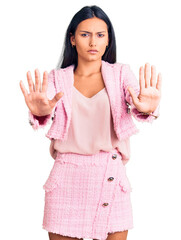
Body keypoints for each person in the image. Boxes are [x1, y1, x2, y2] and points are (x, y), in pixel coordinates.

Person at [19, 5, 161, 240]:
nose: (93, 42)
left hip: (110, 177)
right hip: (66, 180)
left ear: (108, 41)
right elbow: (45, 105)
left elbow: (137, 101)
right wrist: (42, 111)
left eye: (100, 35)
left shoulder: (121, 74)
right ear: (73, 39)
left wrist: (146, 107)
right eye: (85, 35)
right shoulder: (57, 78)